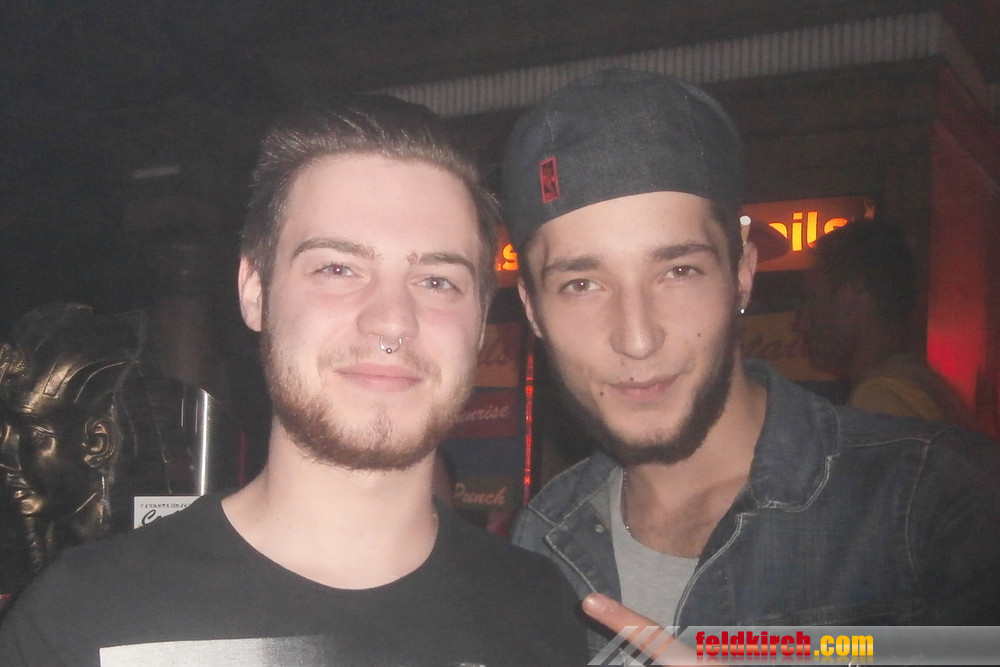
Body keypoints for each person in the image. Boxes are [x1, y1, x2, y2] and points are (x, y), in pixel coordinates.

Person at [0, 96, 586, 665]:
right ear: (255, 292)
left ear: (481, 322)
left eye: (437, 281)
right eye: (338, 268)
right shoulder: (80, 622)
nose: (392, 321)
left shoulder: (544, 614)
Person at [501, 68, 1000, 658]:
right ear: (532, 311)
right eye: (582, 284)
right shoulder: (539, 540)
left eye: (678, 271)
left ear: (741, 273)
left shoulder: (938, 501)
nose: (637, 338)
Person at [796, 218, 974, 427]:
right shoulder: (925, 386)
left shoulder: (881, 397)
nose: (800, 324)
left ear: (850, 299)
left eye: (813, 301)